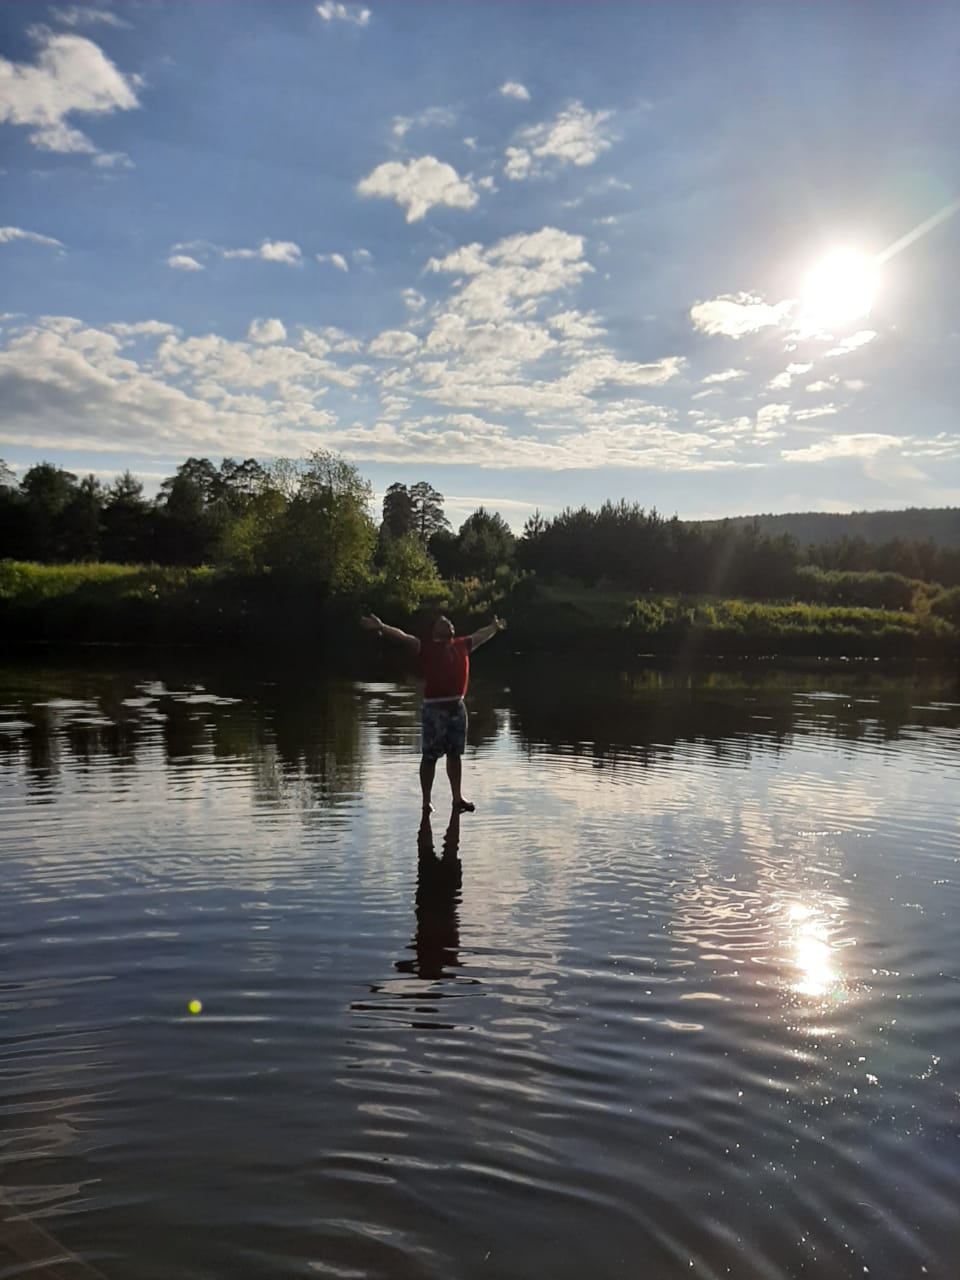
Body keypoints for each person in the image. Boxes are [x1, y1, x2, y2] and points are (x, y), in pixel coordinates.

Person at [359, 610, 506, 812]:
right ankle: (426, 801)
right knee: (429, 757)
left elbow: (481, 634)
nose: (448, 624)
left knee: (455, 755)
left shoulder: (462, 644)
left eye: (449, 622)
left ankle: (457, 798)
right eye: (443, 622)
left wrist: (494, 628)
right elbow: (403, 636)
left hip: (457, 707)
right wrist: (382, 627)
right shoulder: (425, 647)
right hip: (434, 709)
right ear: (435, 631)